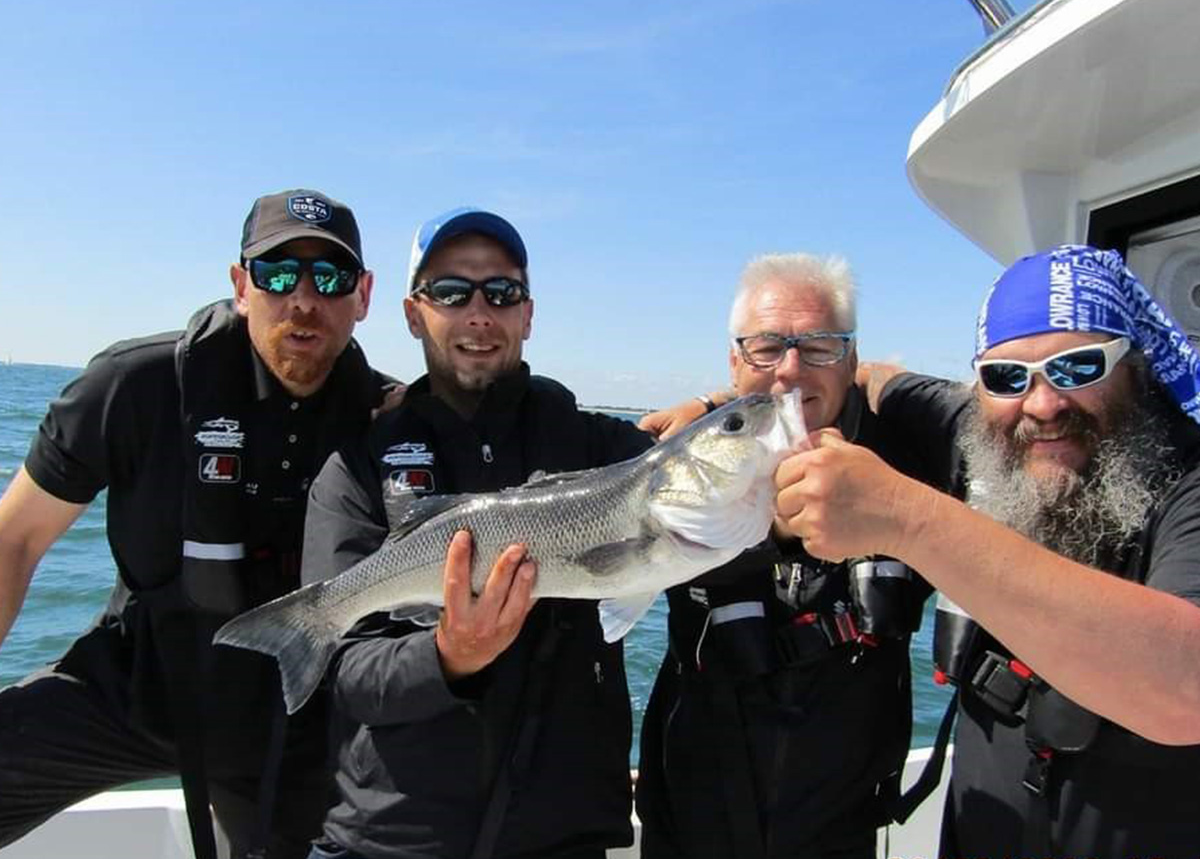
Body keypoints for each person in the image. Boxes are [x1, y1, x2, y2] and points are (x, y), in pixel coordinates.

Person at [775, 244, 1200, 857]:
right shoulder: (981, 431)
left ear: (1135, 367)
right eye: (1006, 377)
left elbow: (1184, 689)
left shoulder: (1188, 477)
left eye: (1079, 368)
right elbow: (880, 379)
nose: (1043, 404)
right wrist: (711, 407)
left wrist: (905, 519)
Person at [0, 189, 388, 859]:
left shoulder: (390, 423)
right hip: (133, 684)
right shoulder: (133, 387)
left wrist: (632, 450)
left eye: (330, 277)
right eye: (275, 274)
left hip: (284, 722)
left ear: (364, 296)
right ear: (241, 285)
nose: (303, 299)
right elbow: (16, 539)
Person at [299, 206, 652, 859]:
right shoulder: (357, 468)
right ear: (413, 313)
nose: (479, 314)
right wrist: (447, 657)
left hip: (562, 837)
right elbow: (348, 671)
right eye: (452, 292)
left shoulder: (605, 449)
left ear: (528, 313)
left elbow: (700, 482)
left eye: (502, 292)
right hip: (388, 840)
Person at [634, 253, 930, 859]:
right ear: (735, 360)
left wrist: (887, 382)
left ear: (852, 359)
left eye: (820, 346)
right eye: (767, 348)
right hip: (689, 825)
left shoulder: (908, 466)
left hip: (838, 833)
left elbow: (983, 415)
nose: (791, 370)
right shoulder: (677, 464)